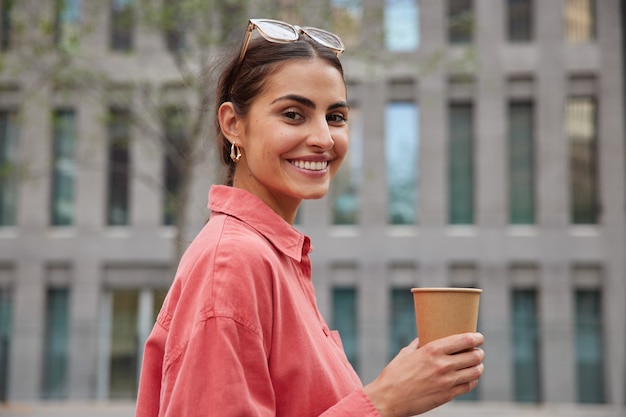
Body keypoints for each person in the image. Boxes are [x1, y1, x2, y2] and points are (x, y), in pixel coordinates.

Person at [135, 18, 485, 417]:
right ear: (234, 124)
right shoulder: (233, 262)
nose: (322, 138)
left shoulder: (275, 257)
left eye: (335, 117)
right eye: (293, 115)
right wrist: (385, 401)